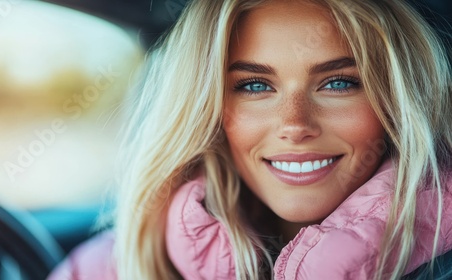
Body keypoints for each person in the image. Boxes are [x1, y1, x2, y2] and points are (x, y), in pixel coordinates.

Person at [48, 0, 452, 279]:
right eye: (255, 85)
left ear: (398, 103)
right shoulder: (108, 267)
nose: (295, 124)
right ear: (207, 110)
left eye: (339, 82)